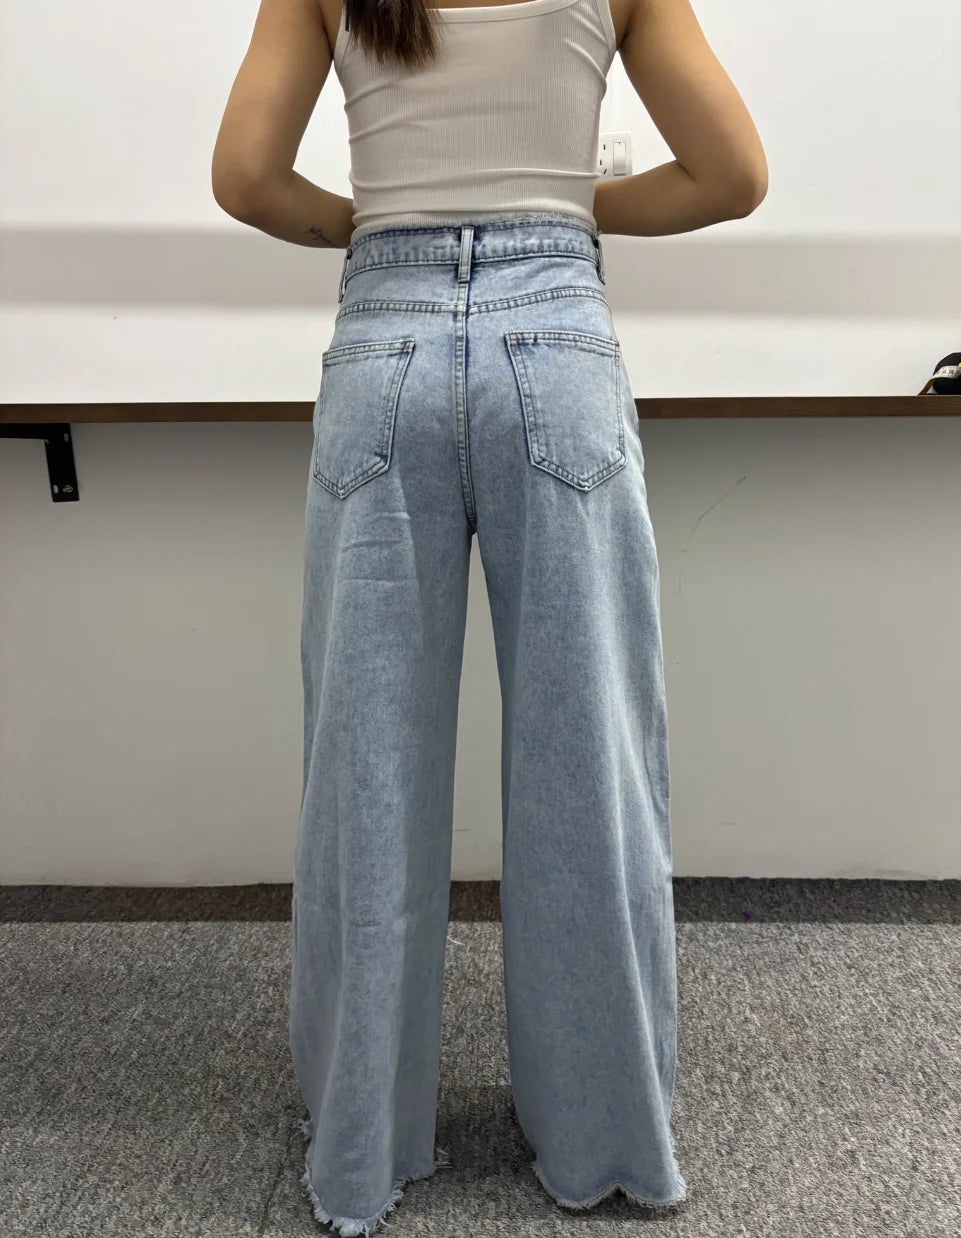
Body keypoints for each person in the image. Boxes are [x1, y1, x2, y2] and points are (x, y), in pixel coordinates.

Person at [212, 1, 767, 1233]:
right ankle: (605, 1139)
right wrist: (569, 207)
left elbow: (246, 178)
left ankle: (362, 1150)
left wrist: (372, 220)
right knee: (589, 769)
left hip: (385, 346)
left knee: (364, 776)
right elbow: (731, 175)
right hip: (554, 343)